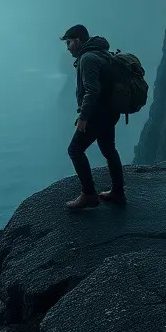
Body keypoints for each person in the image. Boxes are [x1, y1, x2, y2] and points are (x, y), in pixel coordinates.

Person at [60, 24, 126, 210]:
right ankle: (118, 192)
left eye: (69, 42)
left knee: (75, 150)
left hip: (98, 113)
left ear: (78, 40)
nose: (68, 47)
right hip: (110, 111)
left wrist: (83, 117)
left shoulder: (88, 58)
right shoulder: (101, 52)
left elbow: (92, 90)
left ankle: (89, 194)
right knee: (109, 150)